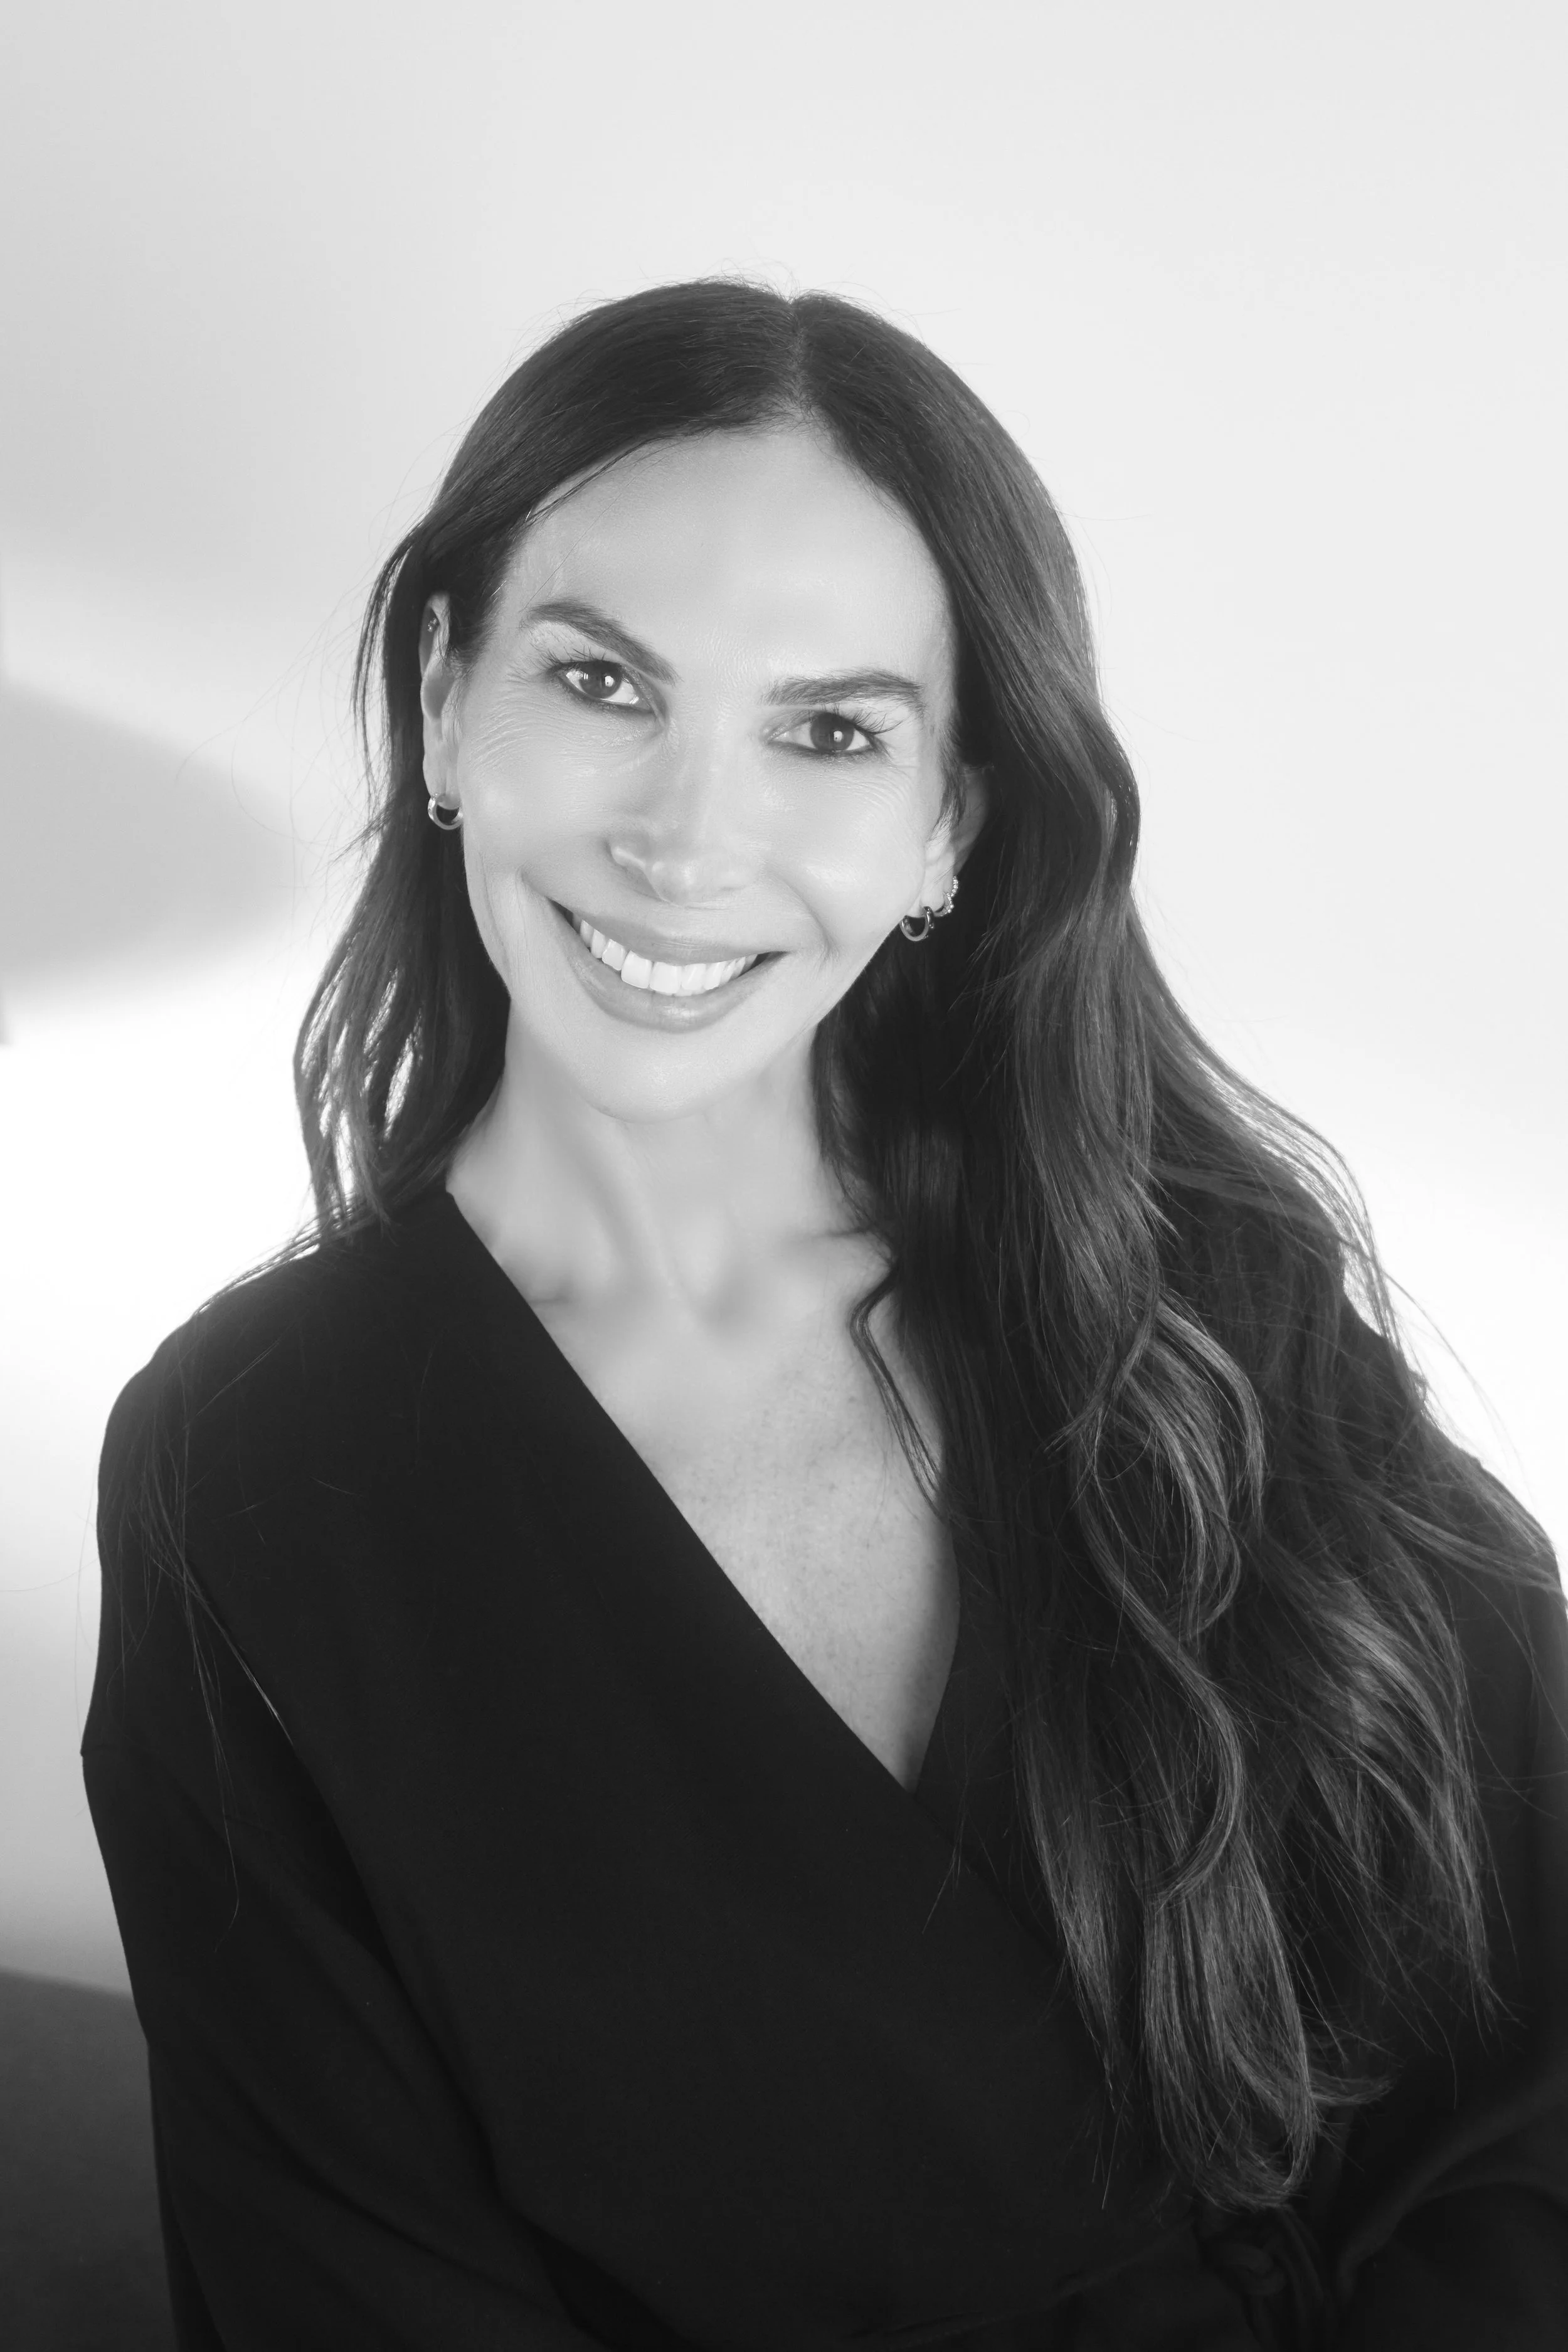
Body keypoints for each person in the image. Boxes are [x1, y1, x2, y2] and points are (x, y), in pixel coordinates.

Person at [84, 280, 1568, 2352]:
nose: (685, 840)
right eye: (601, 679)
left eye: (830, 730)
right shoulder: (251, 1476)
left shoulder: (1200, 1286)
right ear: (443, 702)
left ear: (950, 819)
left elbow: (1530, 2071)